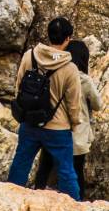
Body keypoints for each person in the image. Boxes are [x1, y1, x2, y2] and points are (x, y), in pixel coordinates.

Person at [8, 16, 84, 200]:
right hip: (58, 129)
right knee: (66, 171)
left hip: (30, 123)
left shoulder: (29, 56)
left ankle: (8, 199)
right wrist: (74, 125)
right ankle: (77, 210)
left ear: (48, 35)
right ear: (68, 39)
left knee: (20, 164)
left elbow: (19, 86)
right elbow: (74, 104)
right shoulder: (70, 68)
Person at [34, 38, 101, 196]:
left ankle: (36, 193)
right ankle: (78, 204)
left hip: (53, 129)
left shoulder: (55, 72)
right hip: (77, 137)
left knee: (45, 167)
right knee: (76, 172)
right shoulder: (84, 80)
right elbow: (98, 104)